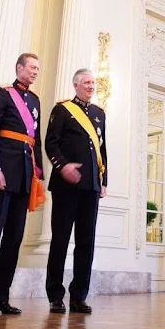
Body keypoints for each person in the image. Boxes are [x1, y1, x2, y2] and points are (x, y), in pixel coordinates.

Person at [0, 53, 45, 315]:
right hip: (2, 172)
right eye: (32, 67)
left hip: (24, 176)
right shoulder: (2, 93)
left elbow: (36, 139)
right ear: (19, 67)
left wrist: (38, 174)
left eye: (38, 68)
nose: (35, 72)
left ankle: (2, 297)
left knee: (13, 239)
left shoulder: (35, 100)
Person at [44, 68, 108, 314]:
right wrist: (63, 167)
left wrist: (104, 180)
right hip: (66, 186)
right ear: (76, 85)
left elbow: (103, 150)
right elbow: (51, 143)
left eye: (93, 83)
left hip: (91, 186)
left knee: (86, 243)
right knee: (60, 241)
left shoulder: (99, 114)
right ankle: (55, 295)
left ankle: (79, 296)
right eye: (87, 83)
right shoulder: (62, 110)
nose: (91, 86)